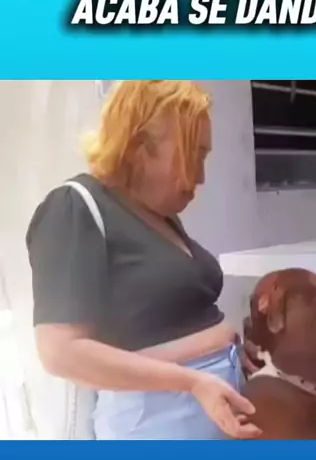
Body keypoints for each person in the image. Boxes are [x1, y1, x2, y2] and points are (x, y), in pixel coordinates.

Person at [25, 80, 261, 440]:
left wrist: (228, 350)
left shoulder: (158, 214)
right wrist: (192, 381)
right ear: (138, 147)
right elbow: (60, 353)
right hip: (157, 423)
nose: (200, 177)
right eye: (192, 155)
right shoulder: (74, 208)